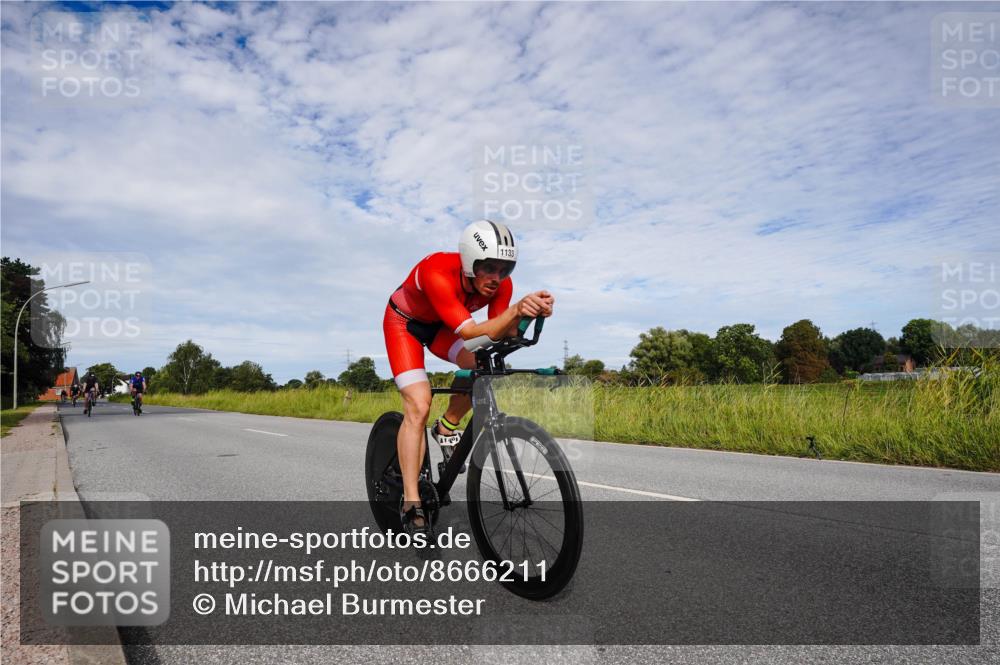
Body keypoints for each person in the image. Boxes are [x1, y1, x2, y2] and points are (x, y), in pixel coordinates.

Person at [383, 220, 554, 535]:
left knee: (485, 361)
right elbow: (474, 332)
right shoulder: (436, 271)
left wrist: (527, 316)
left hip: (443, 327)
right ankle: (411, 501)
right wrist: (515, 311)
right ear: (468, 262)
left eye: (505, 269)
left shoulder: (501, 285)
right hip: (404, 325)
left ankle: (447, 425)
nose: (496, 277)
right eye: (488, 267)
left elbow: (498, 334)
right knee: (419, 404)